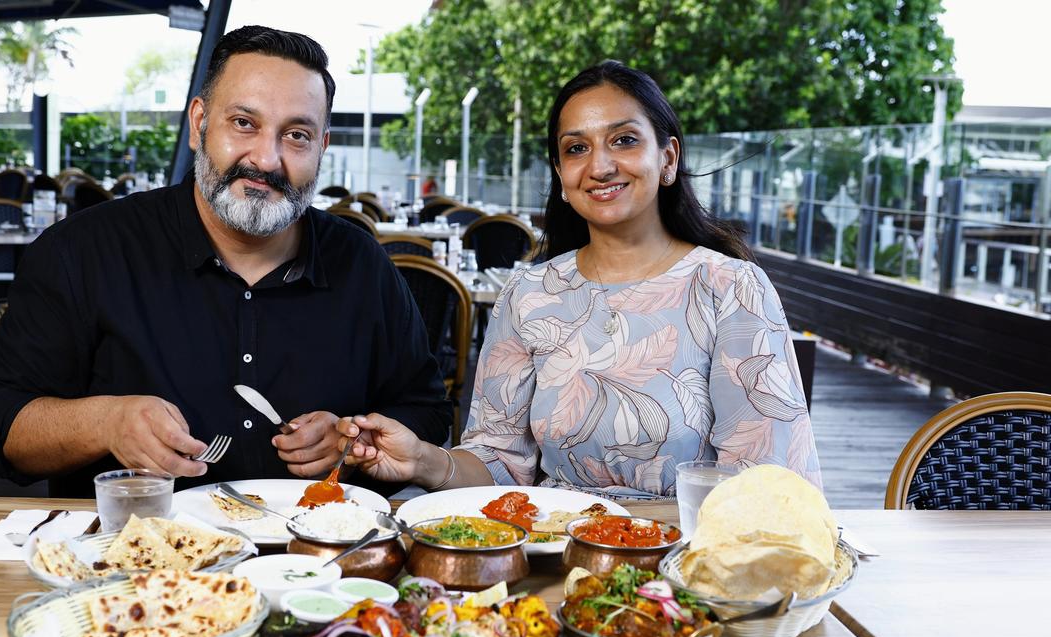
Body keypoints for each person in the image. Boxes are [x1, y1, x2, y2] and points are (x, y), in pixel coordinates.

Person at [0, 26, 450, 497]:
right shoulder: (83, 251)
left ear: (322, 147)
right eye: (244, 123)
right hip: (133, 560)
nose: (266, 159)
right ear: (199, 124)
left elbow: (425, 409)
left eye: (297, 135)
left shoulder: (362, 264)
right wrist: (104, 422)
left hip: (317, 566)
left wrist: (353, 437)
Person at [337, 61, 820, 498]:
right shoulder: (528, 295)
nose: (600, 165)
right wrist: (422, 458)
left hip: (688, 563)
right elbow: (500, 463)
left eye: (625, 140)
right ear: (561, 176)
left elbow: (766, 484)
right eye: (576, 148)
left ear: (668, 159)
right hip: (557, 555)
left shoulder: (729, 288)